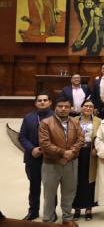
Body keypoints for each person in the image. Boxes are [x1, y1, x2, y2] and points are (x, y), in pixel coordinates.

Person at [39, 96, 84, 224]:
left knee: (69, 192)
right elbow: (45, 144)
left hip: (71, 163)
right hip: (51, 164)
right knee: (49, 194)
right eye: (60, 106)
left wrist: (71, 153)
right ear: (55, 107)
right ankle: (47, 219)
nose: (63, 109)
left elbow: (80, 139)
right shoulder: (46, 123)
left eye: (66, 107)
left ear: (70, 108)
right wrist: (64, 153)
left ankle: (67, 218)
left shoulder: (75, 122)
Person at [19, 93, 54, 221]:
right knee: (34, 186)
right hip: (32, 158)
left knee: (50, 188)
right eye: (40, 100)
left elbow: (60, 137)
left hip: (50, 159)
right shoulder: (28, 117)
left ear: (50, 102)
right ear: (35, 103)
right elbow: (22, 137)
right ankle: (33, 211)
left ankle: (51, 212)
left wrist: (43, 149)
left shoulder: (56, 117)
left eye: (45, 100)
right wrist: (32, 149)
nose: (42, 102)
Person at [72, 100, 101, 221]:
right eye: (86, 106)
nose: (88, 108)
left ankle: (89, 208)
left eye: (91, 106)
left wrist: (96, 148)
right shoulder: (73, 120)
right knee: (75, 180)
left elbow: (101, 137)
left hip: (91, 154)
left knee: (90, 181)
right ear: (81, 107)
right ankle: (77, 208)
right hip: (76, 153)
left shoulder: (98, 121)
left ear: (93, 109)